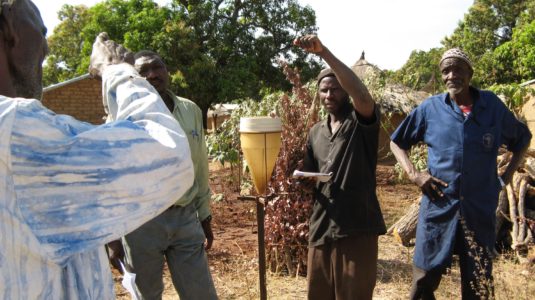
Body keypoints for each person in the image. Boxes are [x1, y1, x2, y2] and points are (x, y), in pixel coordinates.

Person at [0, 0, 195, 299]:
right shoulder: (15, 130)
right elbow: (168, 154)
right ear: (10, 26)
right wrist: (117, 71)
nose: (46, 48)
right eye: (41, 30)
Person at [390, 48, 531, 299]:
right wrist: (414, 173)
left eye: (458, 69)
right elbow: (397, 142)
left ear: (470, 73)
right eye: (446, 70)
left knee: (478, 283)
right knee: (423, 281)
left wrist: (505, 177)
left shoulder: (492, 107)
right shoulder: (430, 109)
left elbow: (522, 139)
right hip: (438, 206)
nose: (451, 75)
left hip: (479, 209)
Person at [110, 50, 217, 300]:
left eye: (156, 67)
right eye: (142, 71)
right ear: (134, 79)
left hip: (185, 217)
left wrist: (205, 215)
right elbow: (114, 175)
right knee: (147, 295)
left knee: (201, 294)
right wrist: (113, 237)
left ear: (167, 71)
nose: (151, 75)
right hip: (142, 222)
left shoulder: (189, 110)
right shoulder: (121, 116)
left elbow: (199, 164)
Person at [294, 35, 386, 300]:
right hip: (322, 227)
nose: (329, 94)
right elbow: (309, 172)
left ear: (345, 91)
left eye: (335, 88)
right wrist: (304, 180)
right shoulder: (315, 133)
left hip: (357, 228)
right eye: (324, 90)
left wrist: (324, 53)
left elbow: (363, 95)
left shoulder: (361, 122)